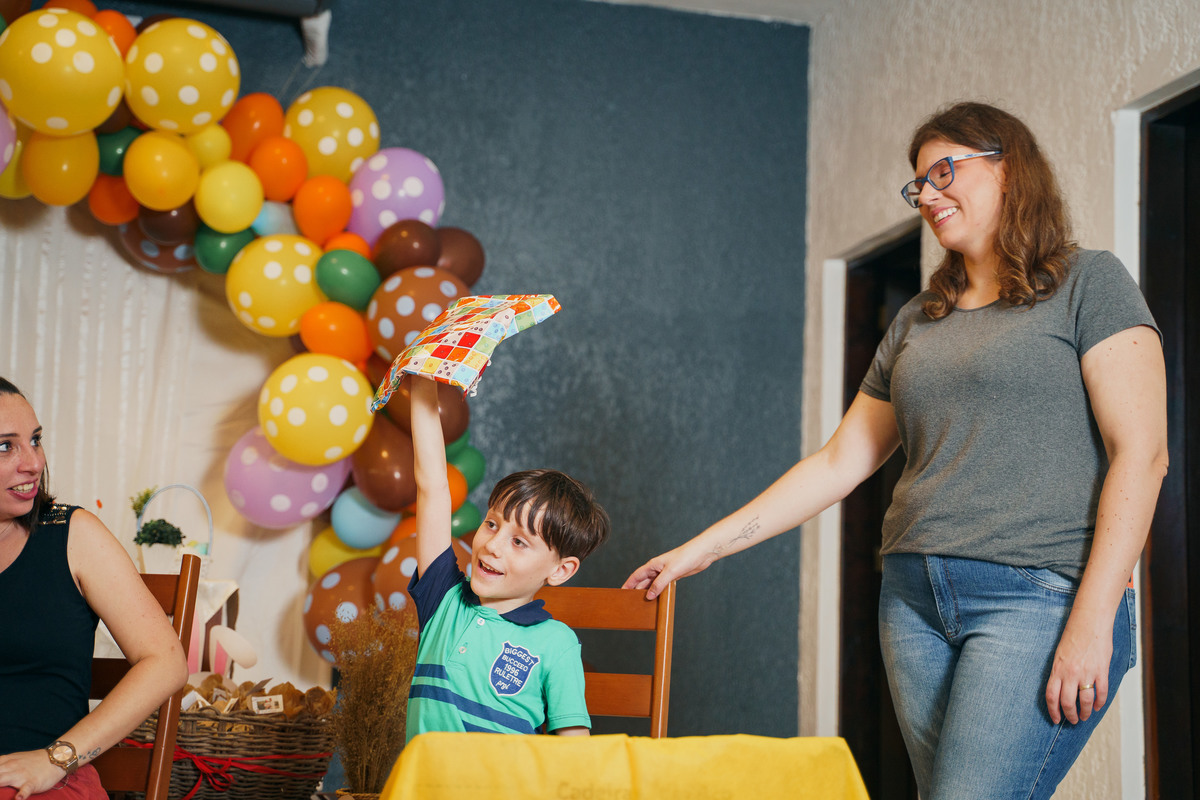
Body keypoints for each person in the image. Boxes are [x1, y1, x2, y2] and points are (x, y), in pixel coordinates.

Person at [624, 101, 1168, 800]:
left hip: (1037, 597)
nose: (929, 196)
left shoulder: (1088, 283)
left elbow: (1142, 454)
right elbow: (837, 463)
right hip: (912, 601)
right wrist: (702, 548)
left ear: (1009, 169)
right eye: (919, 185)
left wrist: (1093, 620)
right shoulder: (918, 317)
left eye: (945, 171)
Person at [0, 378, 189, 800]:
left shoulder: (72, 533)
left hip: (44, 782)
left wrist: (55, 759)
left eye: (35, 440)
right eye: (5, 447)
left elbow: (167, 661)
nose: (32, 462)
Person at [404, 375, 610, 740]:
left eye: (519, 542)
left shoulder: (556, 642)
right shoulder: (444, 600)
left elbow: (574, 750)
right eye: (492, 524)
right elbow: (432, 488)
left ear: (561, 570)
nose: (493, 545)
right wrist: (422, 382)